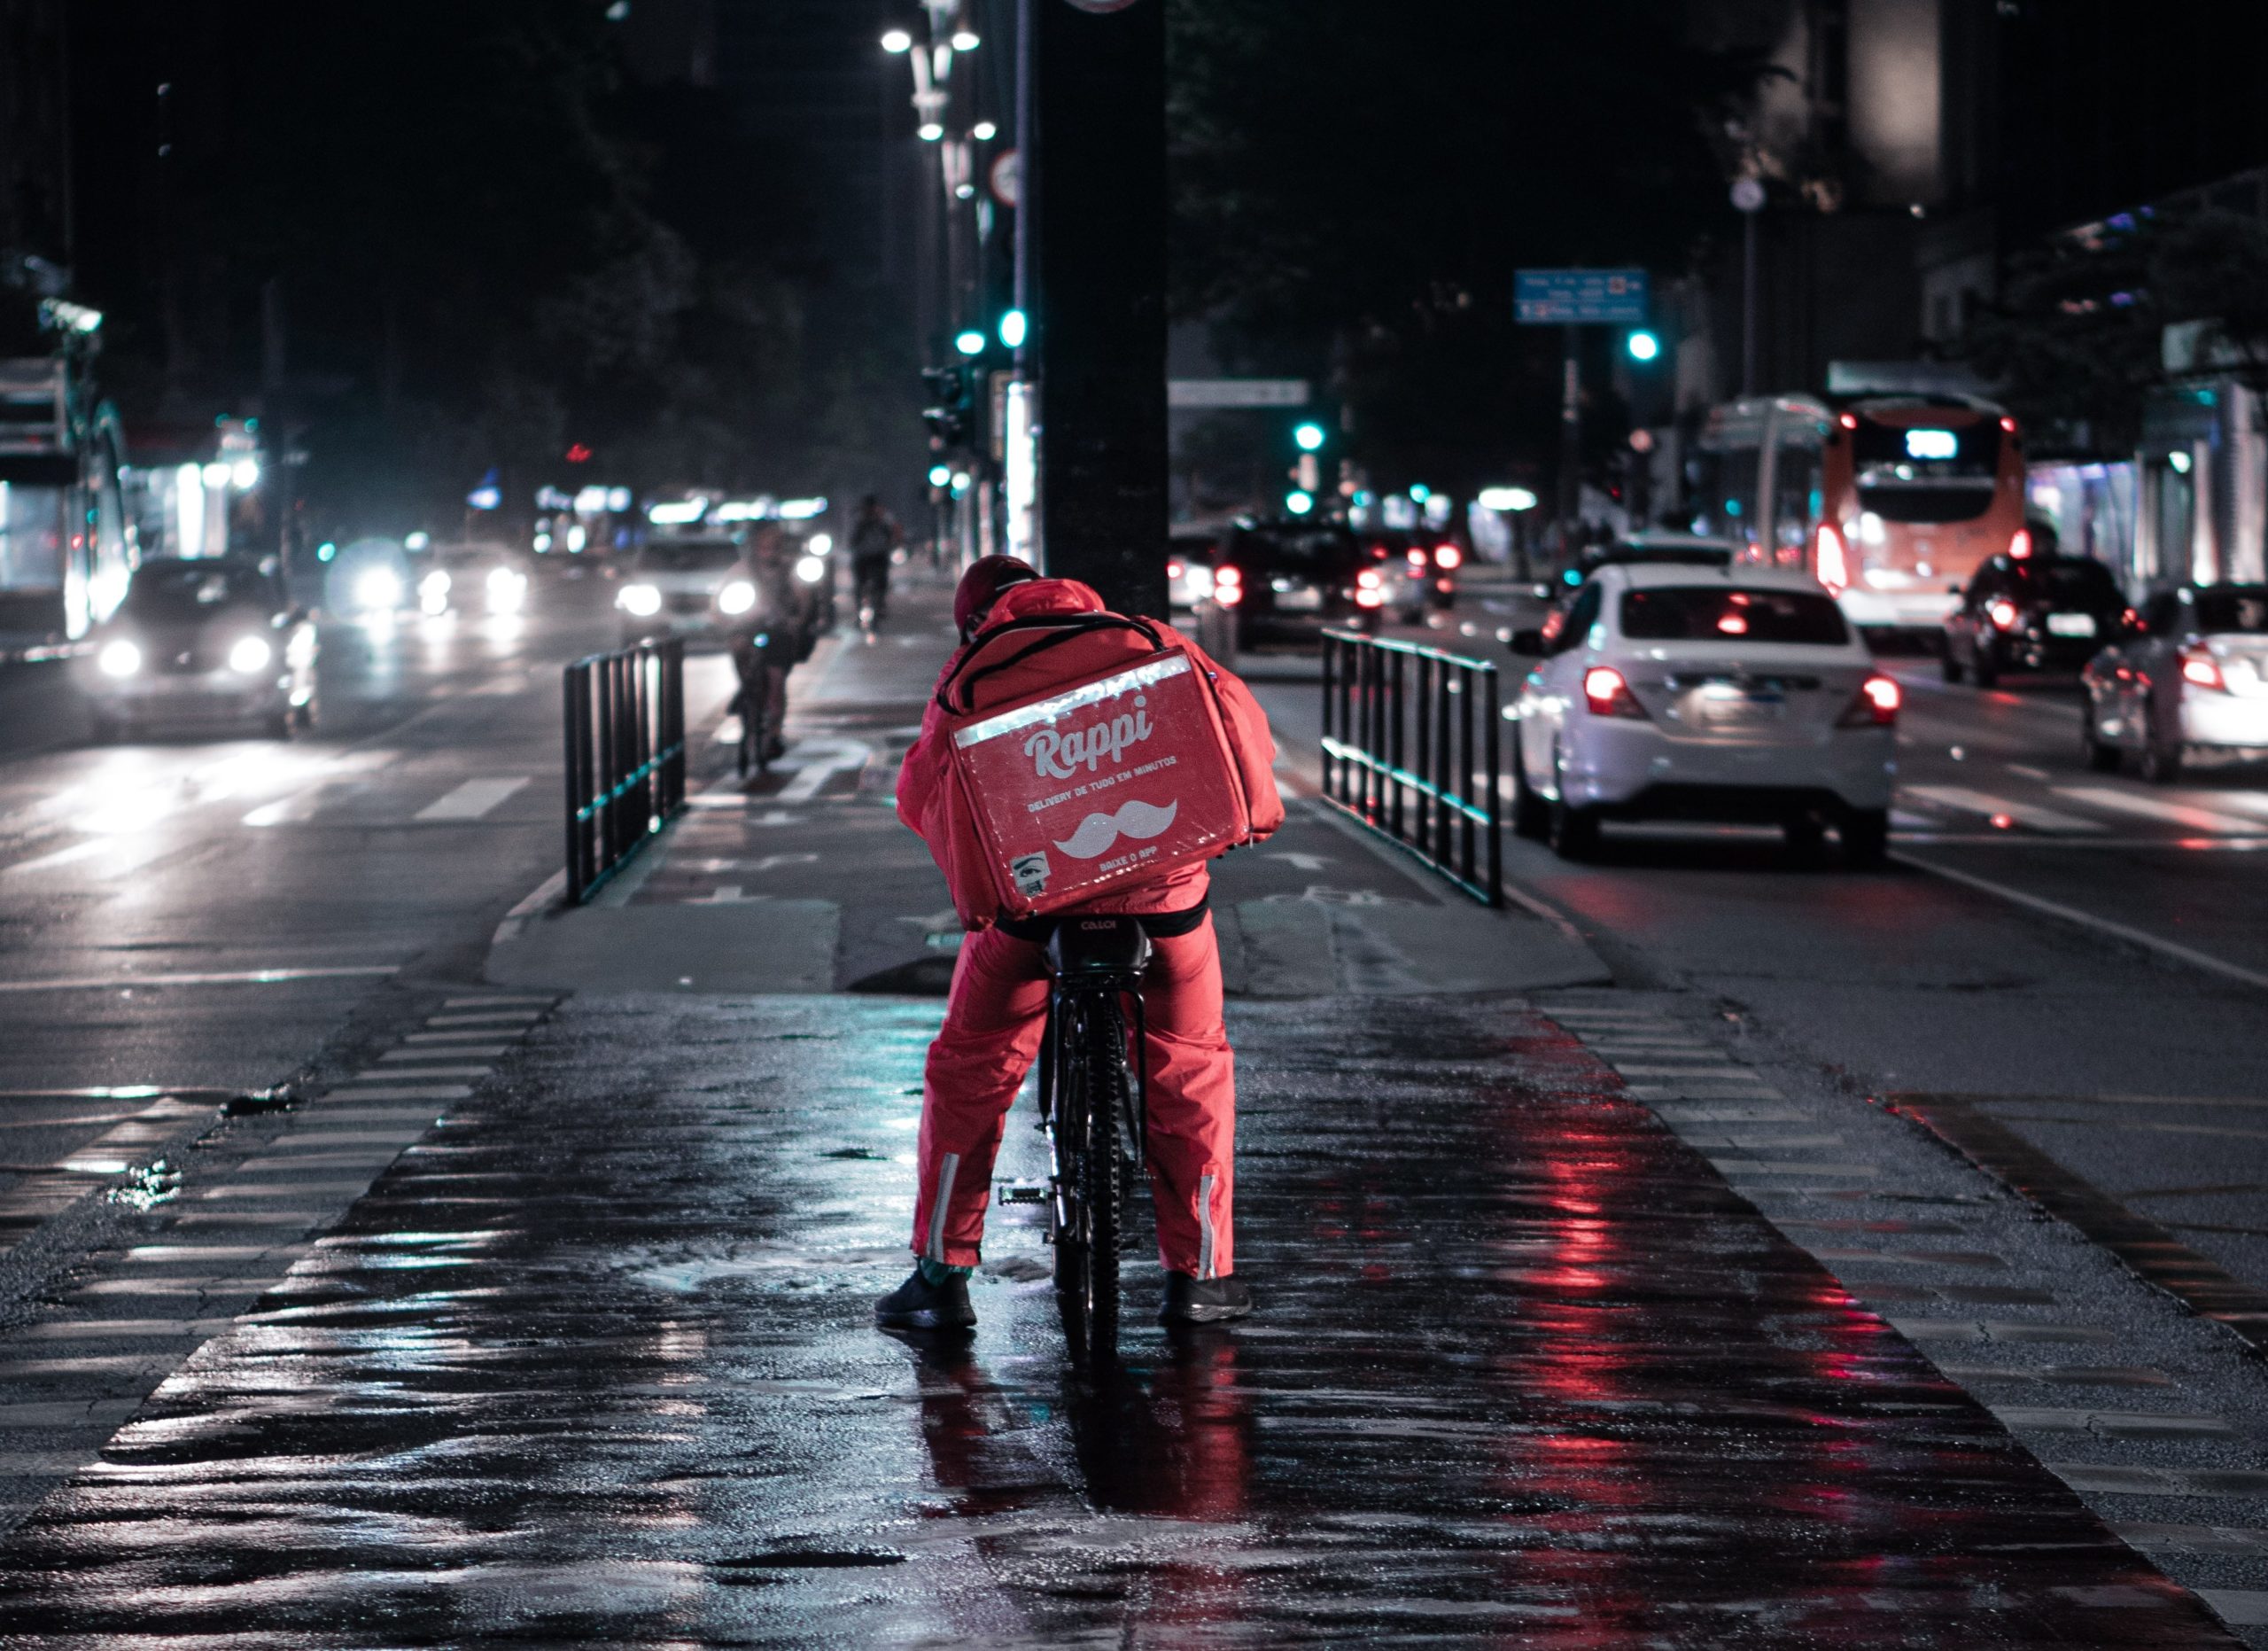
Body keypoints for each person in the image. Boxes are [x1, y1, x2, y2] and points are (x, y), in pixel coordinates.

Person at [878, 556, 1281, 1334]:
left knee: (971, 1065)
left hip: (1031, 917)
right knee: (1191, 1066)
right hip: (1165, 906)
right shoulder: (1149, 641)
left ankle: (940, 1274)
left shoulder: (968, 671)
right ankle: (1201, 1276)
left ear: (975, 618)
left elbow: (921, 796)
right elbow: (1242, 739)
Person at [724, 524, 812, 764]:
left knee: (776, 682)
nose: (768, 552)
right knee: (740, 651)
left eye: (773, 547)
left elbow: (802, 598)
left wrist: (796, 621)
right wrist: (724, 617)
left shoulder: (788, 570)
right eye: (764, 546)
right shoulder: (741, 570)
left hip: (778, 630)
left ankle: (773, 733)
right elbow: (720, 600)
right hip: (747, 627)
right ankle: (746, 694)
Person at [849, 494, 901, 633]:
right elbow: (852, 538)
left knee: (880, 583)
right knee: (860, 586)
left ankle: (879, 606)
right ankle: (860, 612)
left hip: (878, 556)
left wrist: (894, 544)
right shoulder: (859, 519)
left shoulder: (883, 518)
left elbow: (894, 534)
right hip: (864, 557)